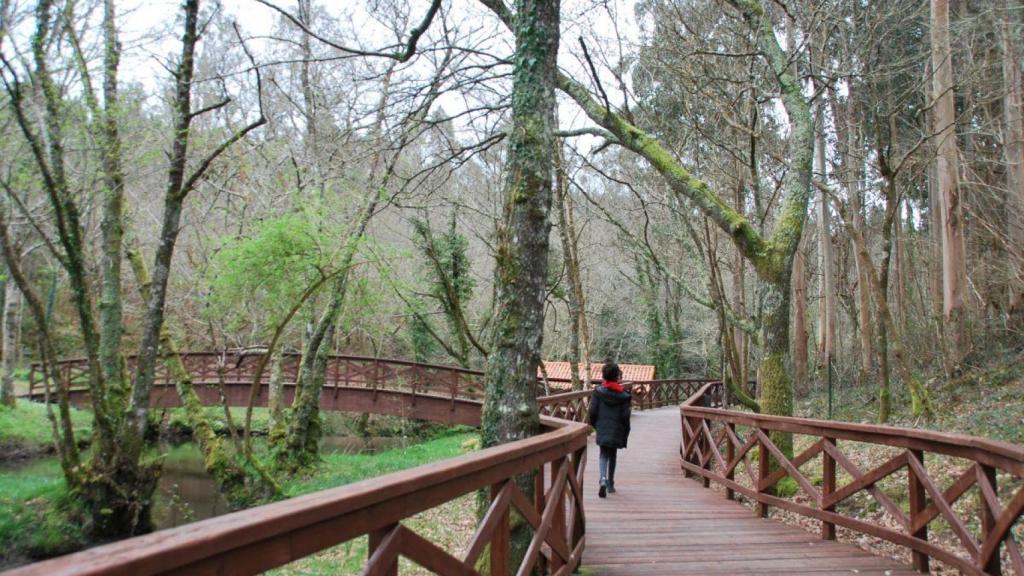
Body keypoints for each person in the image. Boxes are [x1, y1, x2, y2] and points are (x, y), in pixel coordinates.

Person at [588, 361, 631, 498]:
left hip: (602, 425)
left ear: (604, 376)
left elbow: (592, 411)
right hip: (617, 427)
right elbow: (625, 415)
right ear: (617, 376)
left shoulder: (598, 392)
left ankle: (602, 479)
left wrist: (595, 425)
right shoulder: (624, 396)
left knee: (603, 454)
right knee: (612, 454)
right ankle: (611, 484)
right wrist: (625, 429)